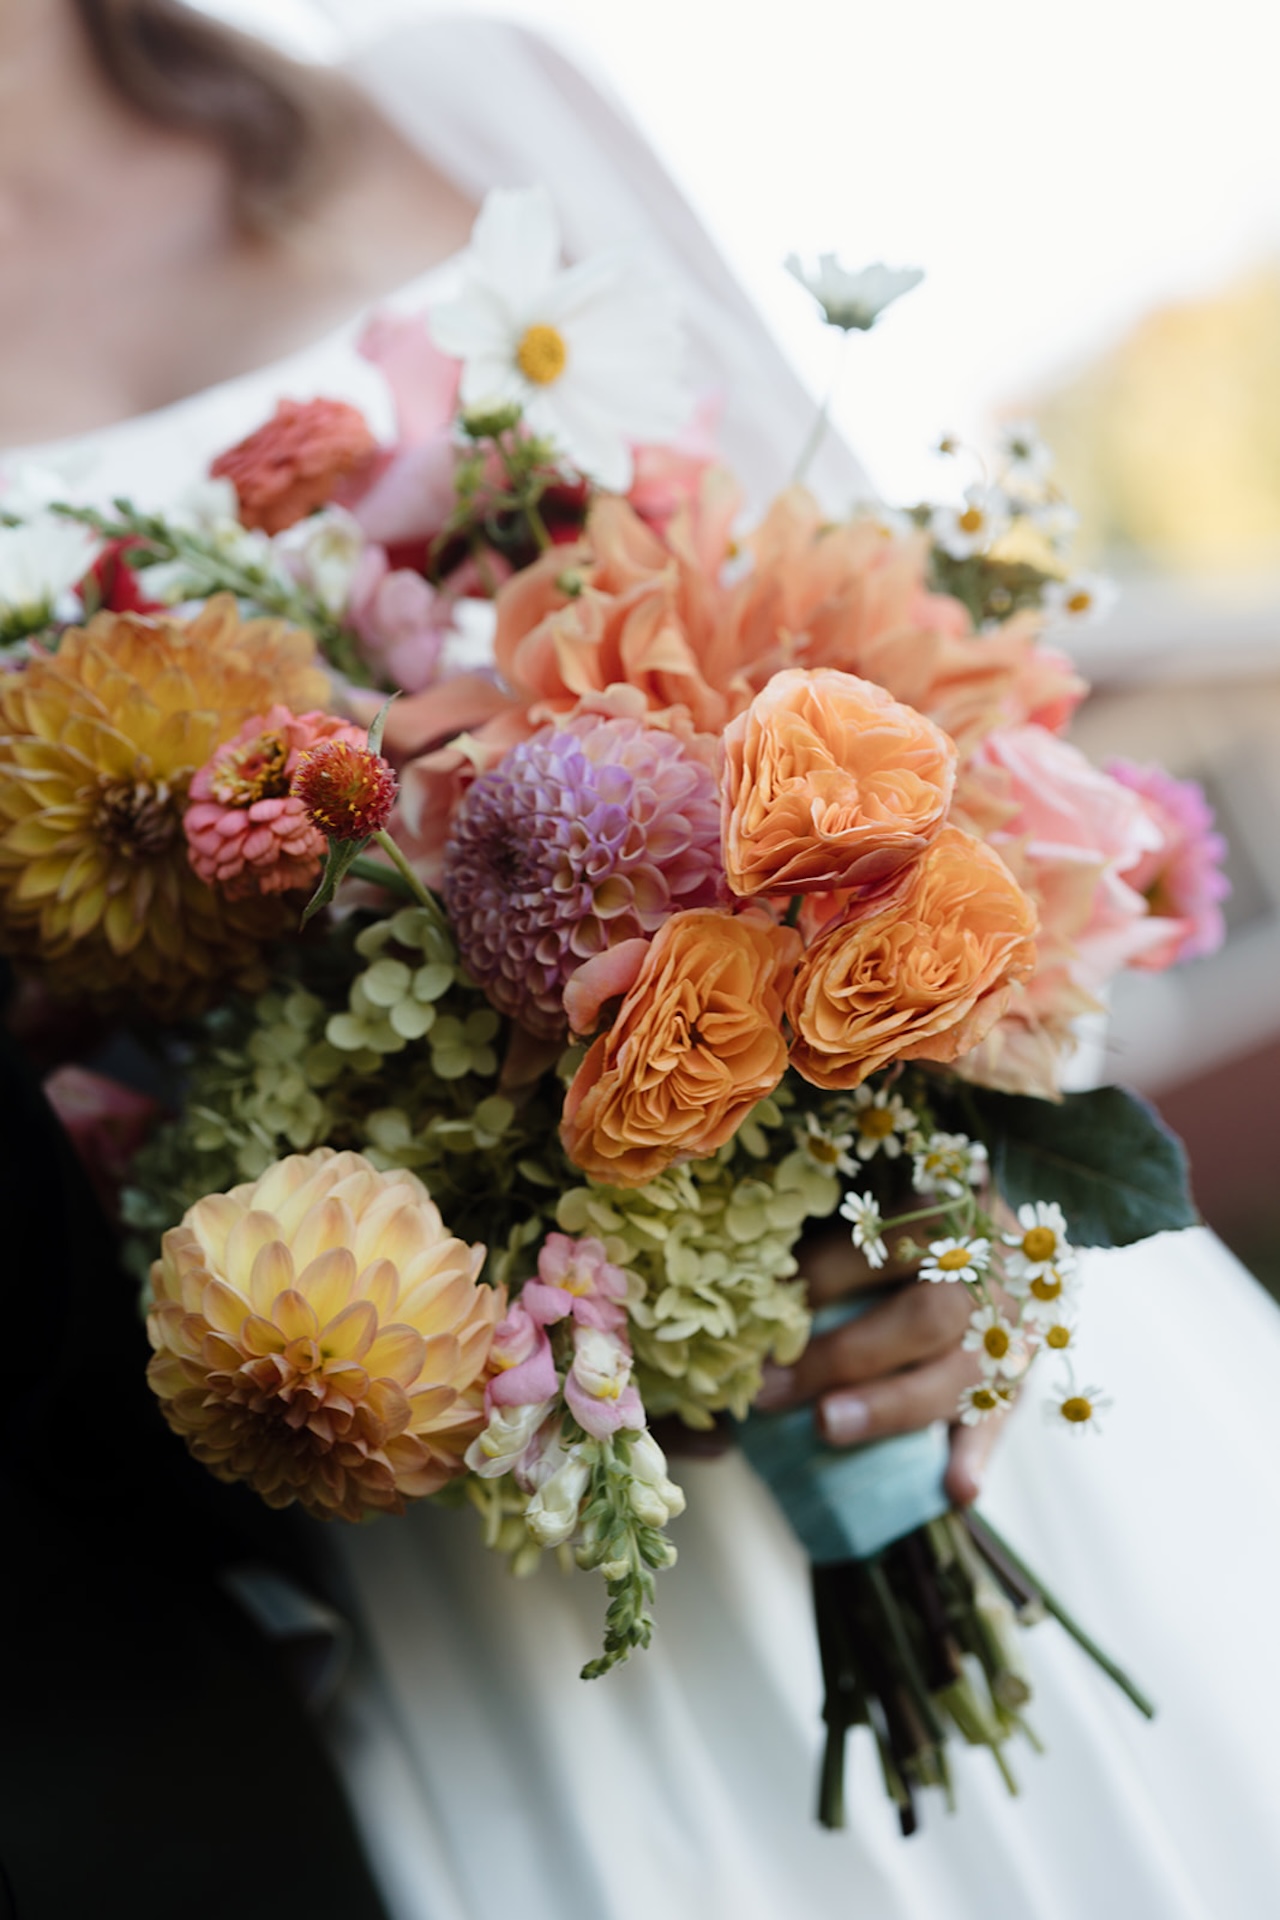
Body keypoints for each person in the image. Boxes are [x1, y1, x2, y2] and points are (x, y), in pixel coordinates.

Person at [1, 5, 1278, 1917]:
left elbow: (901, 682)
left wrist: (953, 1217)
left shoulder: (463, 102)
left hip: (943, 1353)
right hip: (467, 1525)